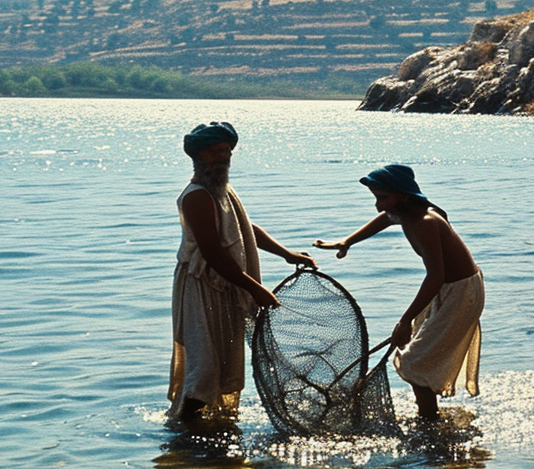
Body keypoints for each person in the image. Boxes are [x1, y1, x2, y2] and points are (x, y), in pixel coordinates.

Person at [169, 121, 317, 422]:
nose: (222, 158)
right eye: (214, 152)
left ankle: (207, 429)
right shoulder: (197, 195)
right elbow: (212, 253)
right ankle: (183, 433)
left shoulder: (222, 190)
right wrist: (255, 288)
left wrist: (286, 254)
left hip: (227, 283)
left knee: (224, 361)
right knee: (205, 366)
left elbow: (244, 230)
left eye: (226, 151)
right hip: (202, 286)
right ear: (198, 156)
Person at [315, 164, 483, 423]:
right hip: (448, 289)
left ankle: (429, 422)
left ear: (404, 195)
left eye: (383, 198)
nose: (379, 206)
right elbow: (384, 219)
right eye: (376, 198)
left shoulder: (425, 222)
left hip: (460, 293)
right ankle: (429, 417)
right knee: (420, 354)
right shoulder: (406, 212)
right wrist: (347, 241)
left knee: (415, 362)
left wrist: (404, 321)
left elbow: (435, 276)